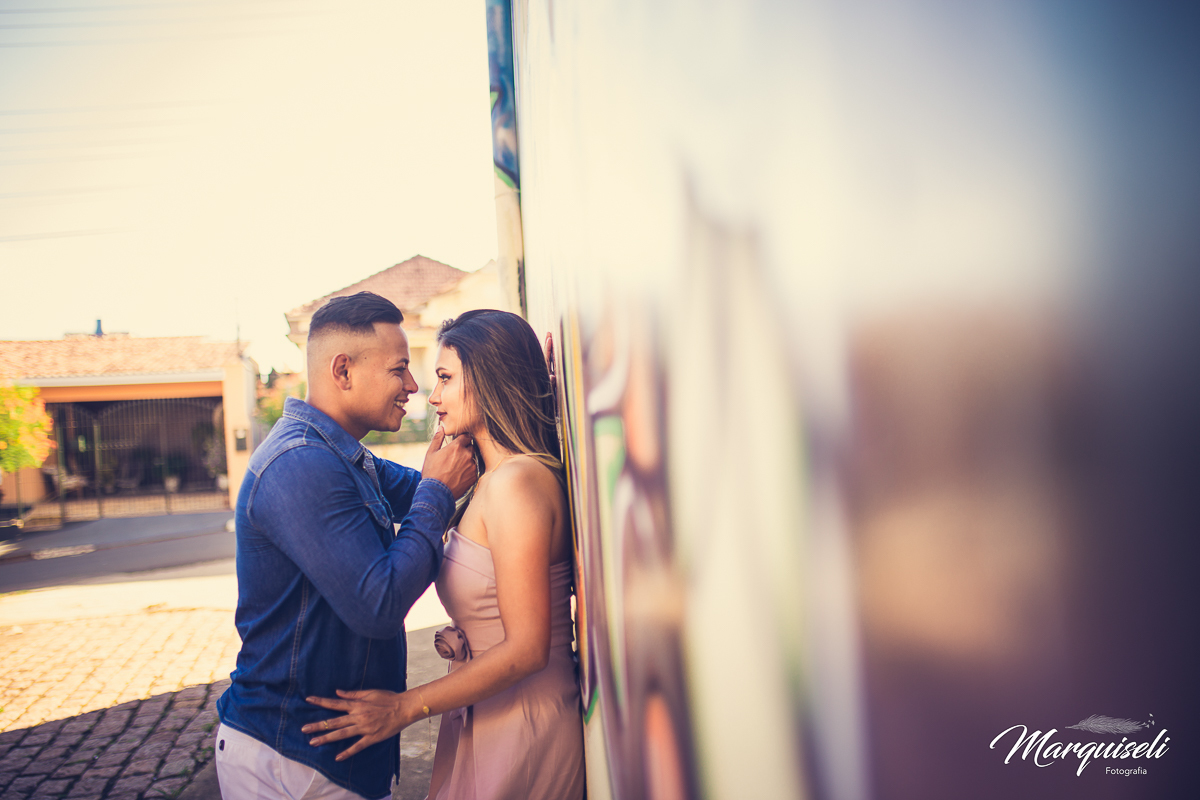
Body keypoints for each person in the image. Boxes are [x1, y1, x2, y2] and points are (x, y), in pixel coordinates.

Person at [303, 309, 585, 800]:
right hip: (487, 709)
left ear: (490, 380)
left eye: (444, 378)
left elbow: (526, 648)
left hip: (523, 721)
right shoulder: (489, 483)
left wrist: (403, 708)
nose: (430, 395)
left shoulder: (517, 484)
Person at [215, 292, 478, 800]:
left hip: (331, 759)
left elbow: (434, 482)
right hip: (290, 758)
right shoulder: (300, 464)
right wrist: (437, 493)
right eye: (399, 369)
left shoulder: (343, 456)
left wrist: (510, 403)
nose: (413, 385)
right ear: (343, 371)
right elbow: (379, 604)